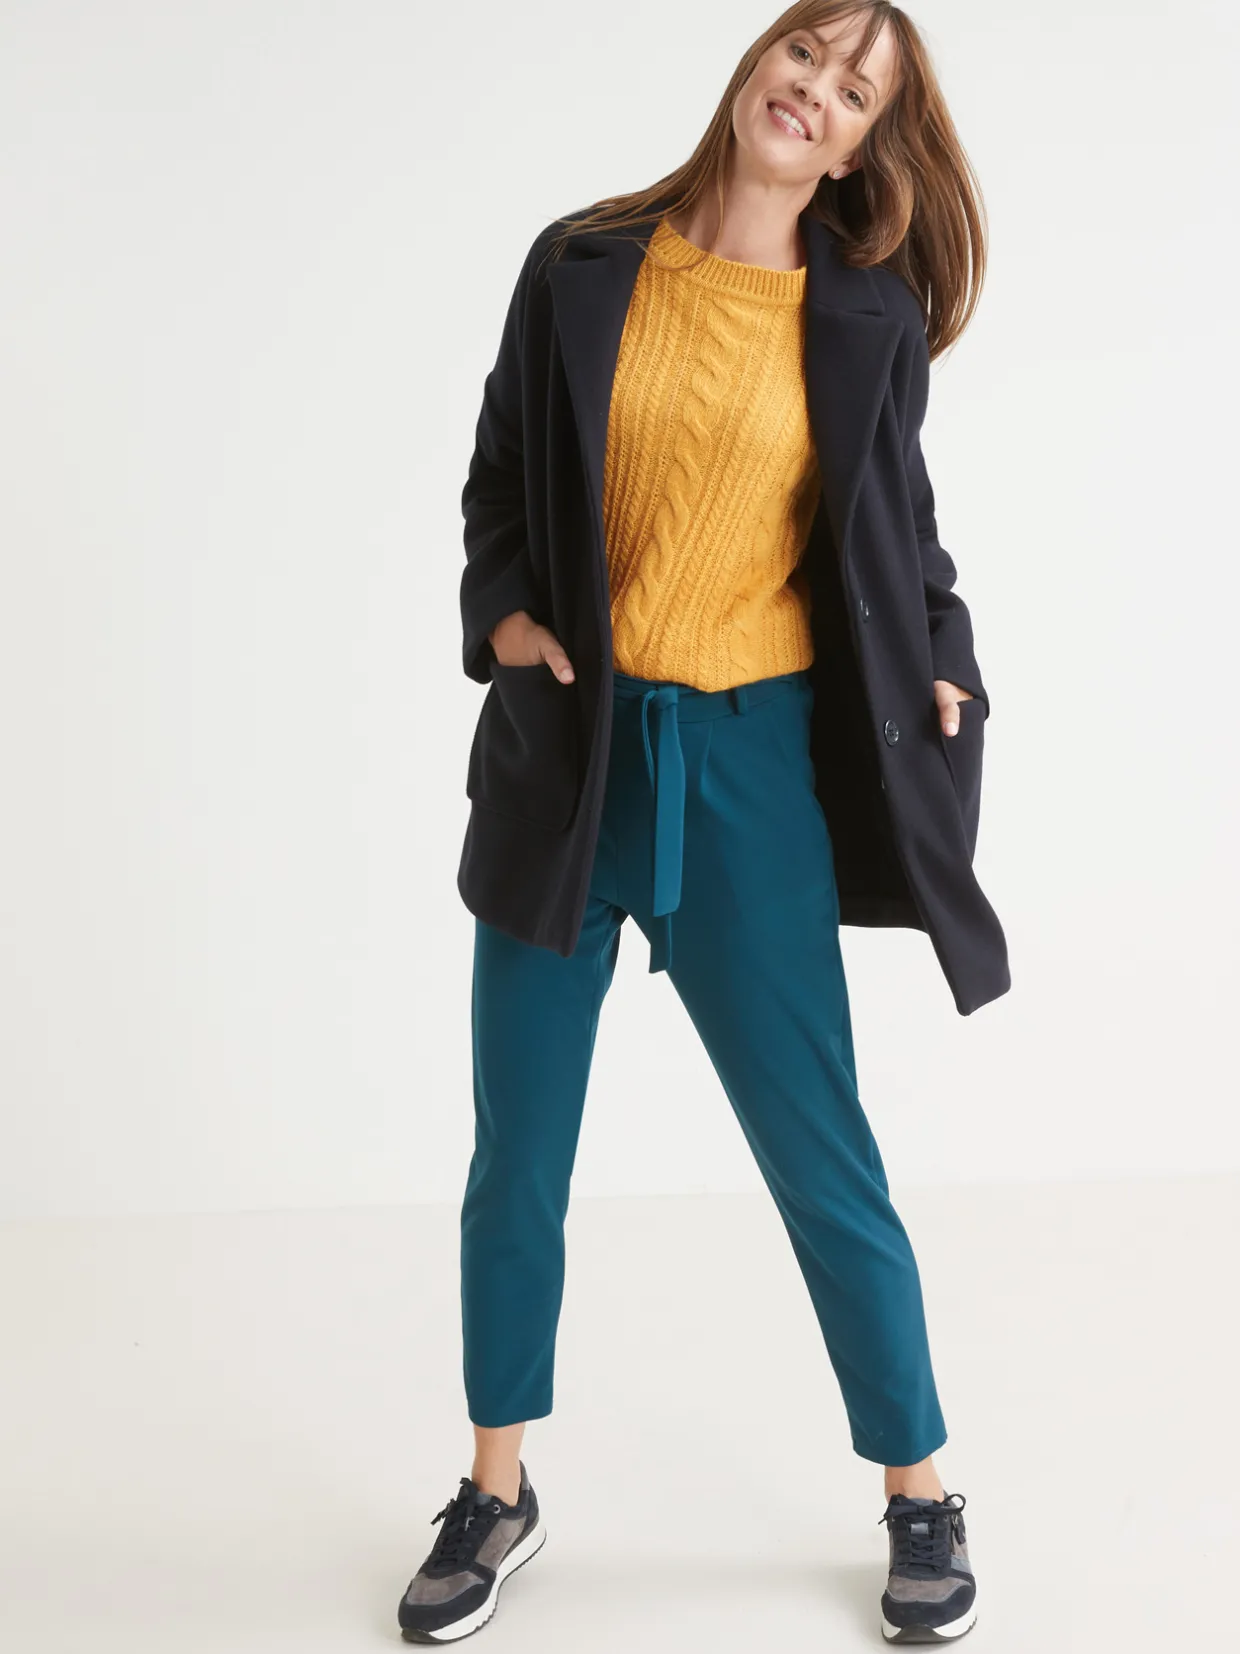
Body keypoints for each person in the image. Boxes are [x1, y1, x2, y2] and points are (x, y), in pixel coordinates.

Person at [400, 2, 1008, 1643]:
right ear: (758, 62)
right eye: (805, 53)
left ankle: (920, 1485)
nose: (816, 92)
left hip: (751, 775)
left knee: (823, 1154)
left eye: (855, 90)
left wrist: (946, 662)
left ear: (868, 144)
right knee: (516, 1157)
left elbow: (905, 539)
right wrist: (505, 622)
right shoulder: (583, 262)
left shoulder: (865, 317)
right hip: (571, 758)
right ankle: (497, 1487)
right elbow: (499, 478)